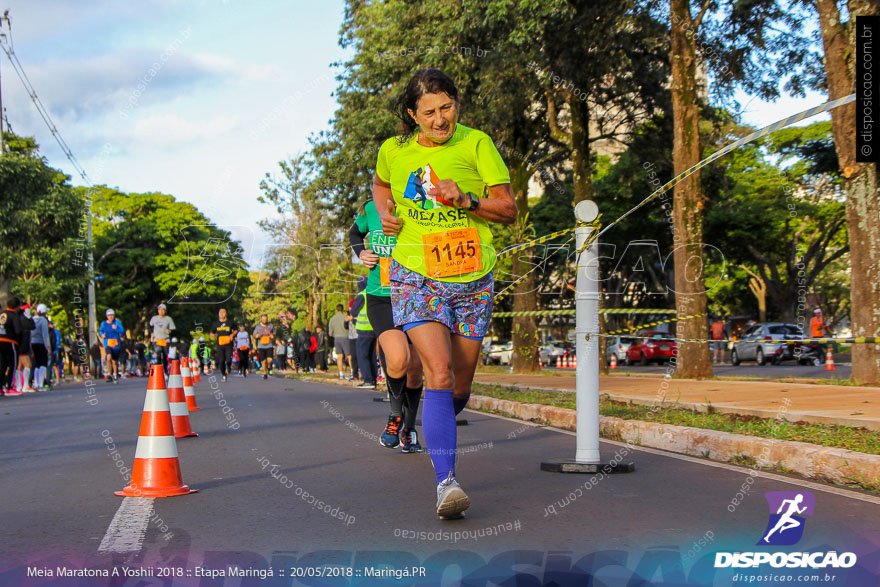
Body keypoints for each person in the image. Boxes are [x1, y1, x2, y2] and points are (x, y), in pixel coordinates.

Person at [374, 69, 516, 517]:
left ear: (456, 103)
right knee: (436, 371)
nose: (440, 120)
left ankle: (431, 425)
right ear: (413, 115)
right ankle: (446, 483)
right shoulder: (393, 151)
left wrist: (467, 201)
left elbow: (508, 209)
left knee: (458, 380)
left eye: (447, 107)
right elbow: (380, 185)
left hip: (473, 275)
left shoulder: (477, 144)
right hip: (415, 271)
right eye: (429, 112)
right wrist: (386, 215)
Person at [350, 195, 425, 452]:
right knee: (398, 359)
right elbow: (354, 233)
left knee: (415, 369)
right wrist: (362, 252)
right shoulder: (371, 208)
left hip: (417, 296)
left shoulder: (420, 206)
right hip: (381, 298)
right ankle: (395, 417)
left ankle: (410, 429)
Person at [351, 278, 377, 389]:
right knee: (371, 356)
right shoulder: (373, 293)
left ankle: (368, 380)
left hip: (363, 331)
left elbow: (354, 312)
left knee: (362, 356)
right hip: (373, 329)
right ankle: (373, 379)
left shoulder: (362, 295)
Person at [0, 296, 24, 396]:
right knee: (12, 364)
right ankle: (10, 387)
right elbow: (18, 330)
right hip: (10, 342)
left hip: (0, 340)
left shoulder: (2, 314)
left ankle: (1, 387)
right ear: (17, 306)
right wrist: (19, 341)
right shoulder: (14, 316)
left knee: (2, 365)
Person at [98, 309, 125, 383]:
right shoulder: (104, 323)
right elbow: (100, 330)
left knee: (114, 361)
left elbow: (123, 331)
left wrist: (116, 329)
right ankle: (109, 375)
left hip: (116, 344)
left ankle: (115, 374)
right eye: (109, 316)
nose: (111, 317)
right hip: (107, 343)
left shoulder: (117, 323)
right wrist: (102, 335)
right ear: (107, 316)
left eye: (112, 315)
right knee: (108, 357)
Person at [30, 304, 52, 390]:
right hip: (41, 344)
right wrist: (48, 347)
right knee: (43, 363)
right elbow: (45, 335)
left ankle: (35, 383)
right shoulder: (43, 321)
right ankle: (40, 383)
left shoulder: (32, 319)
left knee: (36, 364)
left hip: (32, 343)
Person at [211, 308, 236, 382]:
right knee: (221, 360)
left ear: (226, 313)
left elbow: (236, 330)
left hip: (228, 345)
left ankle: (228, 366)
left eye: (223, 312)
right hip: (220, 345)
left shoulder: (230, 322)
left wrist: (232, 334)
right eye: (220, 312)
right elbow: (212, 331)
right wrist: (212, 335)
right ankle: (223, 375)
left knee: (228, 359)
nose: (222, 313)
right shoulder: (215, 324)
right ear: (218, 314)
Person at [15, 304, 36, 392]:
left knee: (19, 366)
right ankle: (25, 385)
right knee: (28, 365)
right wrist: (29, 318)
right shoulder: (23, 319)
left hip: (20, 344)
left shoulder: (18, 318)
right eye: (28, 309)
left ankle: (19, 386)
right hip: (23, 344)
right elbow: (32, 326)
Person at [327, 304, 351, 379]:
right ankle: (353, 371)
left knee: (339, 356)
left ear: (336, 310)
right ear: (343, 310)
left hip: (337, 338)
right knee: (349, 355)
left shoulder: (332, 319)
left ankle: (341, 373)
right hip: (346, 337)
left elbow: (330, 333)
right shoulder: (346, 317)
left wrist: (335, 334)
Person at [149, 303, 175, 370]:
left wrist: (169, 331)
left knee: (165, 355)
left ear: (165, 311)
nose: (161, 311)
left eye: (162, 310)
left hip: (165, 339)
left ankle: (165, 370)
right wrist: (151, 334)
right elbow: (150, 326)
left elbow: (173, 329)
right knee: (158, 352)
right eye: (159, 310)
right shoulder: (154, 318)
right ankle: (159, 369)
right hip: (156, 339)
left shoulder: (168, 319)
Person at [253, 314, 276, 380]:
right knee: (264, 361)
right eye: (263, 319)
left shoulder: (270, 325)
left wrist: (271, 334)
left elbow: (274, 332)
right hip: (261, 346)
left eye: (265, 319)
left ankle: (269, 368)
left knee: (270, 360)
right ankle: (265, 373)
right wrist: (257, 335)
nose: (264, 320)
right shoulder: (258, 327)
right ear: (261, 319)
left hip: (269, 345)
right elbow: (254, 334)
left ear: (267, 319)